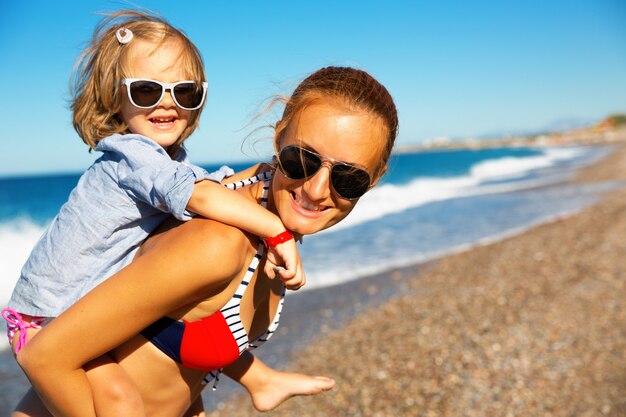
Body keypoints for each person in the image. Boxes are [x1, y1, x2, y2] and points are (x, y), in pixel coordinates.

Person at [15, 65, 399, 417]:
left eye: (349, 179)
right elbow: (43, 357)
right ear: (279, 136)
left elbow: (168, 367)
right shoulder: (218, 243)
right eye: (302, 160)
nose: (316, 190)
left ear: (376, 178)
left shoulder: (269, 223)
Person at [2, 10, 305, 417]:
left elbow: (208, 187)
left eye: (185, 91)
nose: (167, 103)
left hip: (80, 307)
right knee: (121, 402)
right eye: (146, 90)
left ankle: (257, 380)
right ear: (115, 98)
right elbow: (202, 197)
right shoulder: (133, 154)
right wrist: (276, 232)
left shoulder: (168, 161)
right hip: (46, 317)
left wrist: (260, 177)